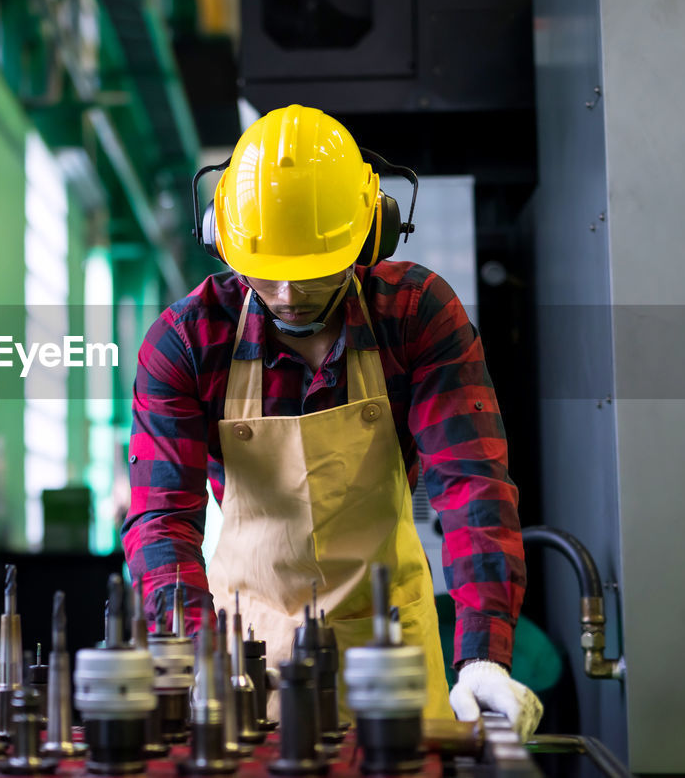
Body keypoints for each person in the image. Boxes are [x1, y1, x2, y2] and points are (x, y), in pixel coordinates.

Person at [121, 104, 543, 739]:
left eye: (315, 271)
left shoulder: (415, 314)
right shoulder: (187, 341)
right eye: (267, 273)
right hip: (248, 658)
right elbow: (162, 518)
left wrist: (484, 653)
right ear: (221, 238)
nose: (289, 295)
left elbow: (472, 484)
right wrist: (194, 652)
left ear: (374, 234)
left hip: (394, 648)